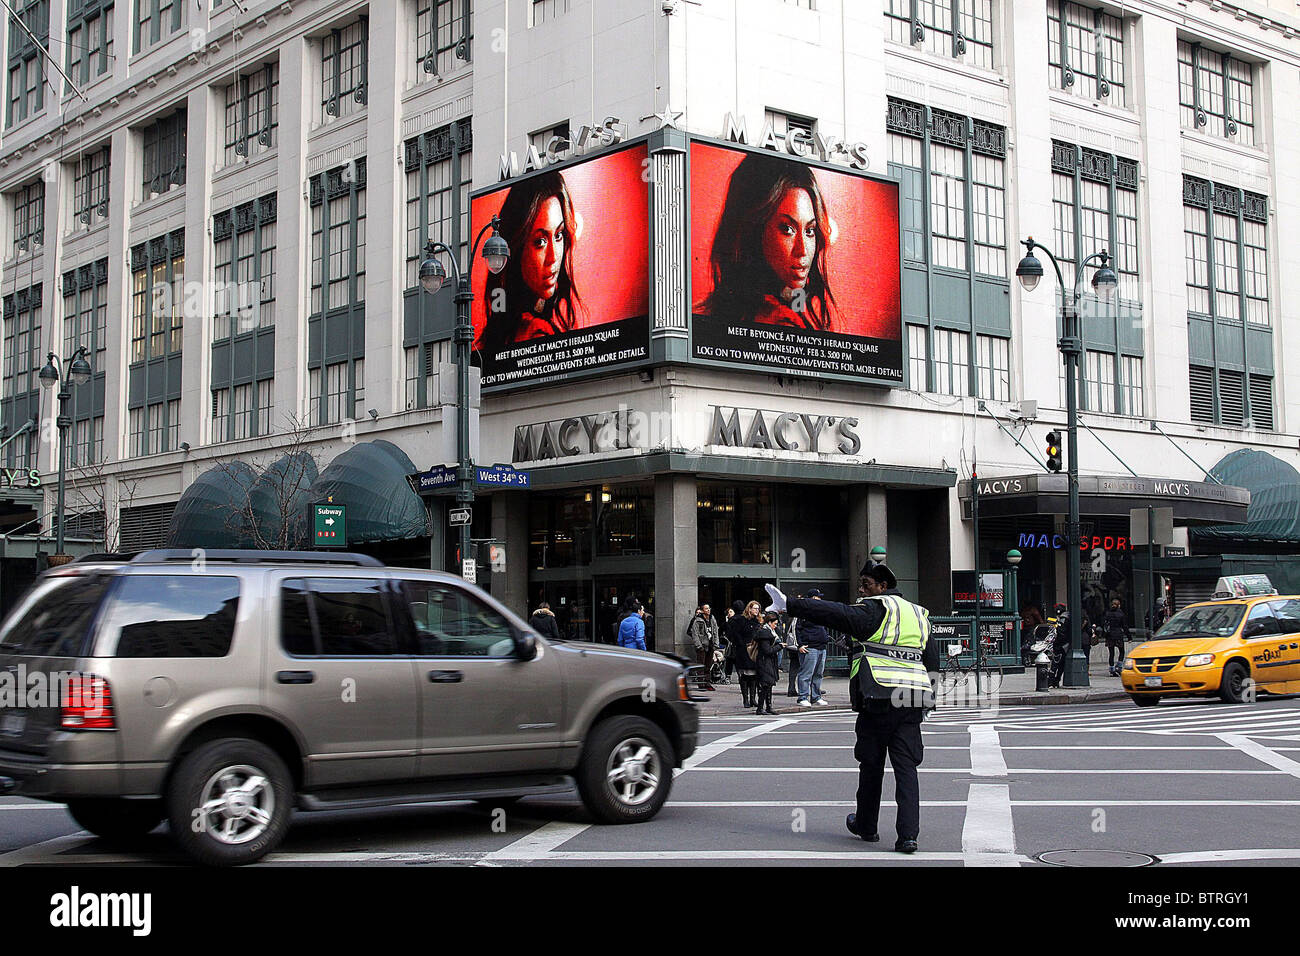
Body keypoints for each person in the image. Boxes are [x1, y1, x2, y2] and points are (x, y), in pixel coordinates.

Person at [766, 563, 937, 854]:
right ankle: (908, 836)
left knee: (871, 765)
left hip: (879, 696)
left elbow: (834, 612)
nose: (861, 589)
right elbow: (932, 660)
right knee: (907, 768)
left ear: (883, 586)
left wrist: (790, 604)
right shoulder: (920, 615)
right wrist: (930, 700)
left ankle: (867, 826)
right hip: (912, 700)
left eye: (866, 583)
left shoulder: (873, 610)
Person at [699, 152, 840, 332]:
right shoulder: (781, 323)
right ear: (754, 230)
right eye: (788, 229)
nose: (802, 250)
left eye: (810, 231)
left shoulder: (711, 312)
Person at [477, 170, 585, 358]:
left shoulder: (502, 332)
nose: (553, 257)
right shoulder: (537, 332)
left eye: (558, 235)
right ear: (516, 248)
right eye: (540, 242)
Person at [795, 588, 831, 707]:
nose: (820, 599)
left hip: (820, 646)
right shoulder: (803, 612)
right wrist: (800, 645)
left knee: (818, 673)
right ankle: (803, 697)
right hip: (810, 646)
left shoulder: (820, 611)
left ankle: (816, 696)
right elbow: (797, 629)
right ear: (813, 598)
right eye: (818, 597)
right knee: (807, 673)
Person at [728, 600, 762, 708]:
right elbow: (736, 634)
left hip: (755, 651)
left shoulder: (757, 621)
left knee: (754, 676)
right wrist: (742, 645)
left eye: (758, 608)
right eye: (755, 608)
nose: (757, 610)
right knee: (744, 676)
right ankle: (745, 699)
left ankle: (753, 698)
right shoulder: (741, 620)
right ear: (749, 609)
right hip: (744, 651)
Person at [754, 612, 782, 715]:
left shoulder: (770, 632)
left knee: (769, 685)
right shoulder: (765, 633)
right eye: (775, 623)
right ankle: (760, 708)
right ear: (769, 623)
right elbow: (767, 650)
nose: (776, 625)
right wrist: (780, 647)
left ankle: (769, 707)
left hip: (768, 662)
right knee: (765, 685)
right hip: (764, 662)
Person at [689, 603, 720, 690]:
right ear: (702, 610)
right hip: (702, 646)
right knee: (701, 665)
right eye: (706, 609)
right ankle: (701, 683)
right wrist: (699, 646)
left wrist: (715, 644)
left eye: (709, 608)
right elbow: (695, 634)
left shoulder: (712, 619)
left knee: (708, 665)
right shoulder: (697, 620)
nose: (708, 610)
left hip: (711, 645)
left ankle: (707, 682)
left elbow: (715, 632)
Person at [1103, 598, 1130, 677]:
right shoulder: (1121, 614)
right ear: (1119, 605)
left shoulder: (1108, 613)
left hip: (1109, 635)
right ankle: (1119, 666)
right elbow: (1124, 626)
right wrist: (1129, 636)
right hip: (1118, 634)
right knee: (1121, 651)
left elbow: (1104, 623)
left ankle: (1111, 669)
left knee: (1111, 653)